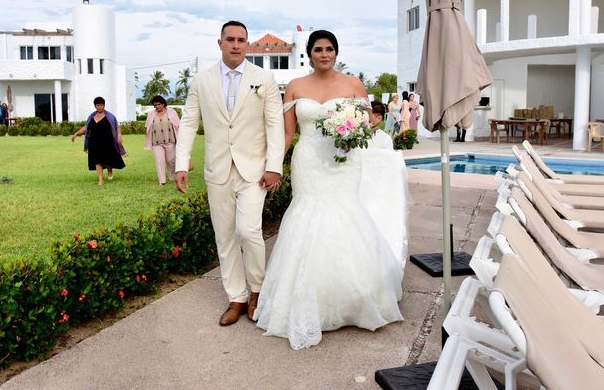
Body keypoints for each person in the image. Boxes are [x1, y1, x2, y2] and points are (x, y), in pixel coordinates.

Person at [254, 30, 409, 350]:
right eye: (318, 49)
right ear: (309, 53)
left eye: (329, 49)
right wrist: (273, 165)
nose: (324, 54)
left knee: (345, 215)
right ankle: (310, 299)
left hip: (344, 162)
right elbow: (287, 134)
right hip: (309, 160)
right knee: (307, 215)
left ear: (336, 53)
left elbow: (368, 125)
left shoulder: (354, 85)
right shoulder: (296, 87)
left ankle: (354, 298)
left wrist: (350, 132)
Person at [174, 21, 285, 326]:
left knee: (248, 231)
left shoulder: (264, 78)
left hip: (254, 170)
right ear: (219, 43)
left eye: (241, 40)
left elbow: (274, 124)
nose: (236, 45)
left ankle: (257, 292)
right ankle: (236, 297)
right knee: (224, 237)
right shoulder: (202, 80)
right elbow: (187, 122)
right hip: (218, 169)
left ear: (247, 45)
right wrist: (181, 164)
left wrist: (275, 166)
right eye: (230, 39)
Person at [71, 97, 126, 186]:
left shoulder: (110, 116)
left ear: (104, 105)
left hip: (107, 142)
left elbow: (117, 126)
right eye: (98, 105)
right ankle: (100, 179)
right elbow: (86, 127)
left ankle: (109, 170)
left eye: (101, 105)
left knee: (106, 159)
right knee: (97, 160)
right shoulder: (91, 117)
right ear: (95, 106)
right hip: (94, 142)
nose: (99, 107)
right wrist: (76, 134)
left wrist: (119, 135)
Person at [144, 95, 180, 186]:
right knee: (159, 161)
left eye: (158, 104)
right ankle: (162, 181)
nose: (157, 107)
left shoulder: (171, 112)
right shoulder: (151, 114)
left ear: (163, 104)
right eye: (155, 105)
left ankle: (172, 177)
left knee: (171, 160)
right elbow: (147, 126)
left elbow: (178, 125)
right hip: (156, 142)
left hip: (170, 140)